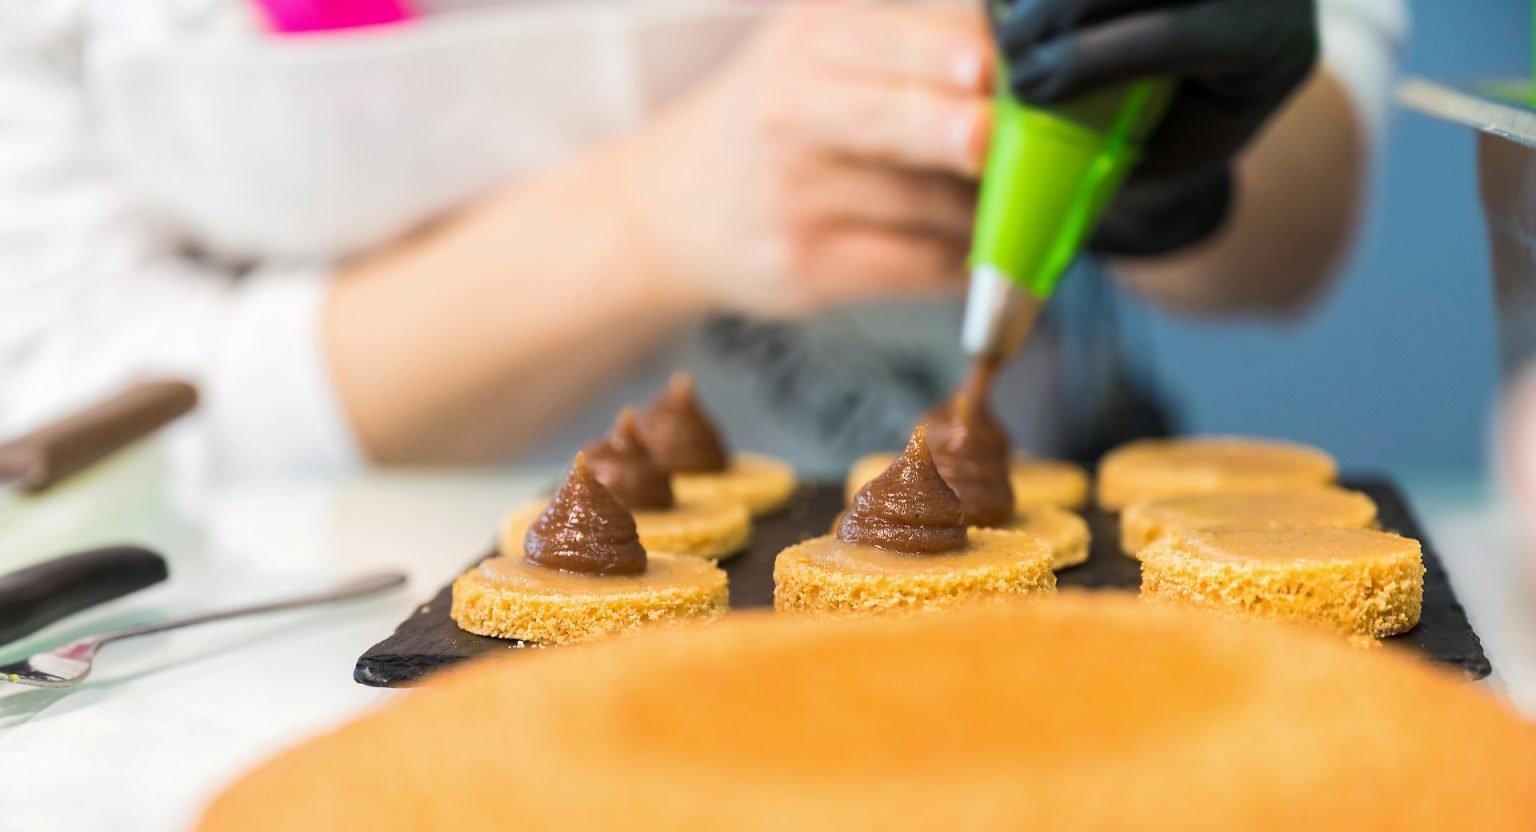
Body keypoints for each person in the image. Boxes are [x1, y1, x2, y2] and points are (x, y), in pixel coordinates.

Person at [0, 0, 1405, 476]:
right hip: (286, 656)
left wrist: (1175, 164)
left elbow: (1290, 248)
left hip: (971, 604)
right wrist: (650, 221)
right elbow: (63, 412)